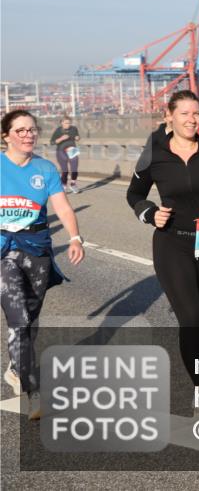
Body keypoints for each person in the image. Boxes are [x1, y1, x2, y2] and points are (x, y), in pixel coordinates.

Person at [126, 91, 199, 414]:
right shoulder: (155, 153)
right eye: (184, 113)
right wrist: (149, 213)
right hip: (171, 241)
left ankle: (192, 346)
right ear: (170, 116)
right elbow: (134, 193)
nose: (191, 119)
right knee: (191, 318)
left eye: (196, 113)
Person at [2, 110, 85, 418]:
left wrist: (75, 238)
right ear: (6, 135)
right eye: (20, 130)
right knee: (19, 318)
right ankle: (31, 390)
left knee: (31, 318)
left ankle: (15, 366)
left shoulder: (45, 168)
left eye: (32, 130)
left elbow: (61, 206)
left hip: (37, 249)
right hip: (3, 250)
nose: (28, 135)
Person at [49, 116, 82, 194]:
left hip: (72, 150)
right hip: (61, 151)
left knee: (74, 169)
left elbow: (77, 136)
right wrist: (61, 139)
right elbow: (52, 142)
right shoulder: (58, 131)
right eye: (66, 123)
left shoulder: (74, 128)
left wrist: (78, 137)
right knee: (65, 171)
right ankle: (63, 186)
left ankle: (73, 184)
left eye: (69, 123)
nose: (68, 124)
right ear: (62, 123)